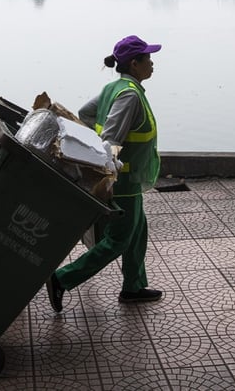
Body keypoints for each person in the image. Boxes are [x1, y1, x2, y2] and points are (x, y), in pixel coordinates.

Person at [46, 35, 164, 312]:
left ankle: (134, 286)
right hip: (123, 179)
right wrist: (108, 165)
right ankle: (62, 278)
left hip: (127, 180)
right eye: (148, 58)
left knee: (137, 230)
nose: (152, 63)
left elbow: (85, 113)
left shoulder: (115, 87)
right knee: (119, 239)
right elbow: (111, 139)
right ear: (135, 64)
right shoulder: (130, 96)